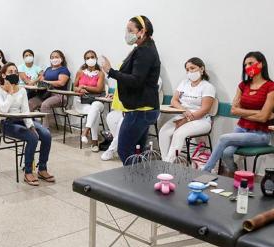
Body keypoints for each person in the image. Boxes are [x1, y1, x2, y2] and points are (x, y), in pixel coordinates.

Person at [101, 15, 161, 165]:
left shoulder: (145, 51)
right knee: (136, 151)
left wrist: (111, 72)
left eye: (130, 30)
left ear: (142, 31)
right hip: (141, 108)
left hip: (141, 110)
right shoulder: (144, 48)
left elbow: (136, 80)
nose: (127, 34)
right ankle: (138, 184)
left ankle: (133, 184)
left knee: (125, 150)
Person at [202, 52, 274, 174]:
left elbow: (263, 118)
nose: (247, 67)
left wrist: (245, 112)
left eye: (250, 63)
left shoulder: (270, 87)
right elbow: (233, 110)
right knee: (226, 153)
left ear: (261, 64)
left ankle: (206, 171)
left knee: (223, 138)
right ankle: (236, 174)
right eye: (245, 65)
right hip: (241, 128)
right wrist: (258, 112)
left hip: (261, 134)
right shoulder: (243, 85)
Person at [0, 63, 54, 186]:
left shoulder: (22, 90)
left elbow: (25, 111)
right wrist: (10, 92)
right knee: (32, 138)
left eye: (15, 71)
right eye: (10, 72)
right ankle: (28, 172)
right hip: (8, 123)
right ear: (3, 75)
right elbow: (2, 111)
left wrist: (31, 126)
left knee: (46, 134)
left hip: (23, 119)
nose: (14, 74)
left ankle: (42, 169)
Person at [159, 58, 216, 162]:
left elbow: (204, 110)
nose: (190, 71)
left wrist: (186, 120)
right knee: (164, 131)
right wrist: (184, 110)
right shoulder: (184, 83)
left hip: (201, 120)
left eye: (192, 68)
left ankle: (169, 163)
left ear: (202, 69)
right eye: (187, 69)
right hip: (183, 115)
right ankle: (164, 160)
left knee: (178, 133)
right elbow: (174, 100)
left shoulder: (207, 87)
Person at [72, 50, 106, 152]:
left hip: (98, 100)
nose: (90, 59)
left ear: (96, 59)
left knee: (95, 106)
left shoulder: (100, 74)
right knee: (94, 111)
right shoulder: (80, 72)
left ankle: (85, 131)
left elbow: (99, 89)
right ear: (85, 60)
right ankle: (94, 142)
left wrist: (84, 86)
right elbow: (74, 87)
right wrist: (79, 89)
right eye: (87, 58)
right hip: (83, 102)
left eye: (92, 57)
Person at [29, 50, 71, 127]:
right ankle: (31, 126)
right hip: (45, 94)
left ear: (61, 58)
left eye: (56, 57)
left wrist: (47, 82)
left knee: (45, 105)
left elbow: (61, 83)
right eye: (52, 57)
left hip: (59, 95)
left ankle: (45, 129)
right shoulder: (48, 69)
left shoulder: (64, 70)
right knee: (30, 103)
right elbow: (42, 80)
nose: (54, 59)